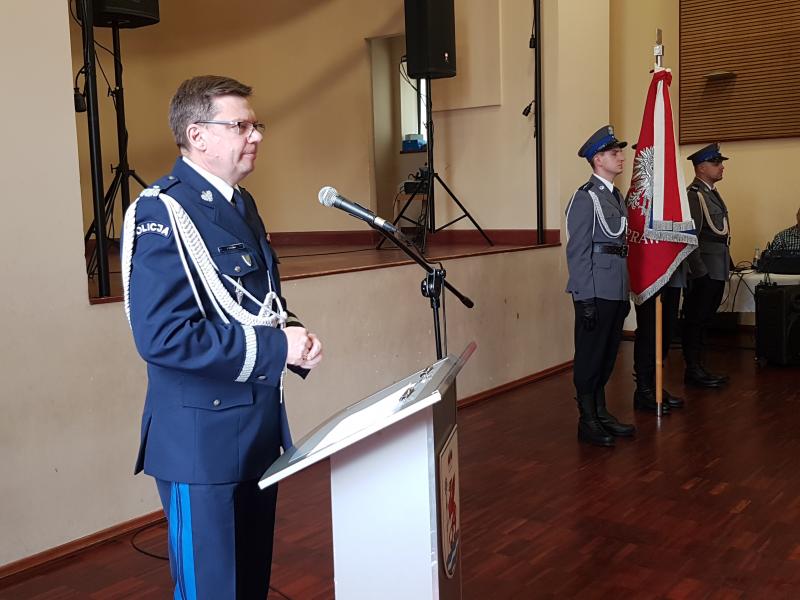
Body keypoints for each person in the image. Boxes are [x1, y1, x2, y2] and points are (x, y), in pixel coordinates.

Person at [121, 75, 323, 599]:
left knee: (249, 585)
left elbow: (253, 302)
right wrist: (276, 348)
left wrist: (292, 336)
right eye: (241, 125)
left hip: (254, 431)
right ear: (198, 135)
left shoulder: (240, 204)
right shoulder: (162, 211)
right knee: (211, 591)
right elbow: (163, 336)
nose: (255, 135)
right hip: (202, 442)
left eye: (256, 125)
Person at [565, 125, 635, 447]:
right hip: (594, 289)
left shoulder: (615, 196)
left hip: (615, 287)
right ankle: (587, 420)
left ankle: (601, 412)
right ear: (597, 160)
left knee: (607, 355)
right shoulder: (585, 197)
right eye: (613, 152)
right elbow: (578, 252)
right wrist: (584, 298)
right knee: (590, 355)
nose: (620, 157)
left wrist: (624, 290)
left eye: (619, 152)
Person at [682, 142, 730, 388]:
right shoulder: (694, 195)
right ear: (701, 167)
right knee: (695, 319)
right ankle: (693, 369)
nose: (721, 167)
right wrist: (698, 271)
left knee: (706, 319)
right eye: (715, 162)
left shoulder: (710, 193)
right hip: (703, 269)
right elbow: (691, 237)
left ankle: (700, 366)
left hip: (717, 266)